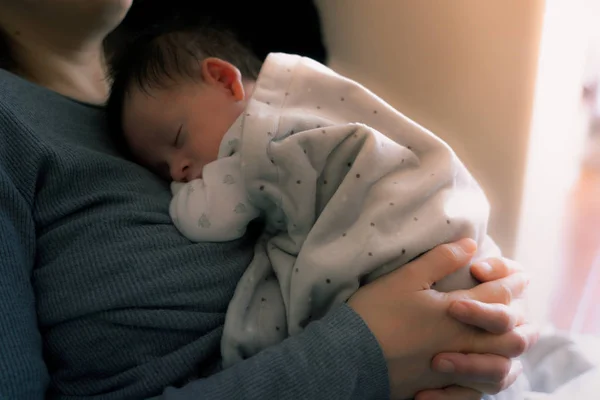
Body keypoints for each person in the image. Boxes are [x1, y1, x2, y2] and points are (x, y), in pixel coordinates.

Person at [0, 1, 537, 400]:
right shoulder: (16, 127)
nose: (181, 174)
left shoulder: (169, 83)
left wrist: (478, 290)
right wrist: (365, 353)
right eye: (167, 169)